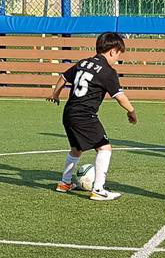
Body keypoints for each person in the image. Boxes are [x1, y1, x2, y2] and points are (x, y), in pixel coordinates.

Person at [47, 32, 137, 201]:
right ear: (113, 51)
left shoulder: (83, 63)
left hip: (69, 113)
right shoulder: (108, 71)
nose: (117, 59)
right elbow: (120, 97)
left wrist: (55, 94)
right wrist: (131, 111)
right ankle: (98, 189)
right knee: (104, 148)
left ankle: (65, 183)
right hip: (85, 115)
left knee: (76, 149)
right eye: (119, 54)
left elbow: (63, 77)